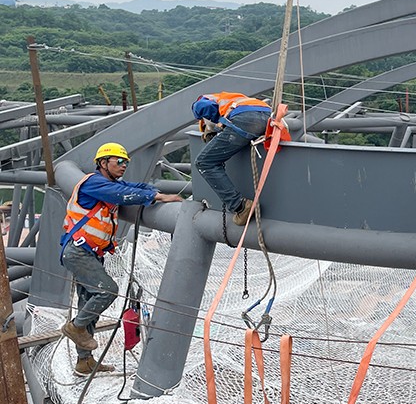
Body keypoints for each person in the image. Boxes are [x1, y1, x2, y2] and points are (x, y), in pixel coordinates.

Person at [60, 143, 183, 376]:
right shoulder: (93, 183)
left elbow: (131, 187)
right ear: (103, 163)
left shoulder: (109, 183)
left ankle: (83, 362)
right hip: (78, 252)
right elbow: (121, 194)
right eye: (119, 161)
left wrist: (152, 192)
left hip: (89, 253)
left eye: (126, 162)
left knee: (87, 302)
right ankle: (75, 327)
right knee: (107, 291)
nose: (124, 166)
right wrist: (157, 196)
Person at [191, 92, 272, 225]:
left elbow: (205, 107)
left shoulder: (203, 100)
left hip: (245, 119)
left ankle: (240, 206)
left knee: (204, 162)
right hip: (267, 117)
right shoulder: (231, 98)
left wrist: (215, 128)